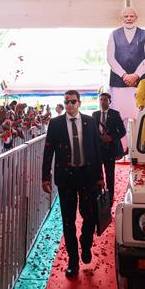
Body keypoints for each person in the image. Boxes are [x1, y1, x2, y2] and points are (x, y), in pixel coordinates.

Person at [42, 90, 104, 278]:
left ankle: (85, 243)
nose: (69, 105)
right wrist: (45, 176)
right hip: (66, 179)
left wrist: (100, 176)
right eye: (66, 102)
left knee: (89, 215)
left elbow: (96, 148)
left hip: (88, 176)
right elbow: (48, 151)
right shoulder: (55, 124)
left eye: (73, 102)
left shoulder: (90, 121)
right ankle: (73, 261)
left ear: (79, 103)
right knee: (68, 221)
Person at [106, 7, 145, 148]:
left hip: (140, 84)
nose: (128, 18)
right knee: (119, 120)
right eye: (126, 16)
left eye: (131, 16)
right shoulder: (114, 34)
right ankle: (122, 151)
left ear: (136, 17)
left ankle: (141, 149)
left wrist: (136, 75)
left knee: (141, 118)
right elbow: (110, 58)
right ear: (122, 18)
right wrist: (124, 75)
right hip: (118, 84)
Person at [91, 93, 125, 199]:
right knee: (97, 173)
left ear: (110, 101)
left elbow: (122, 131)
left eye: (105, 100)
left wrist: (111, 137)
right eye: (101, 99)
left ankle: (110, 198)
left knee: (110, 174)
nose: (103, 102)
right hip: (98, 149)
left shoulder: (115, 114)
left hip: (110, 149)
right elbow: (93, 131)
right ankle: (98, 196)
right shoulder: (95, 114)